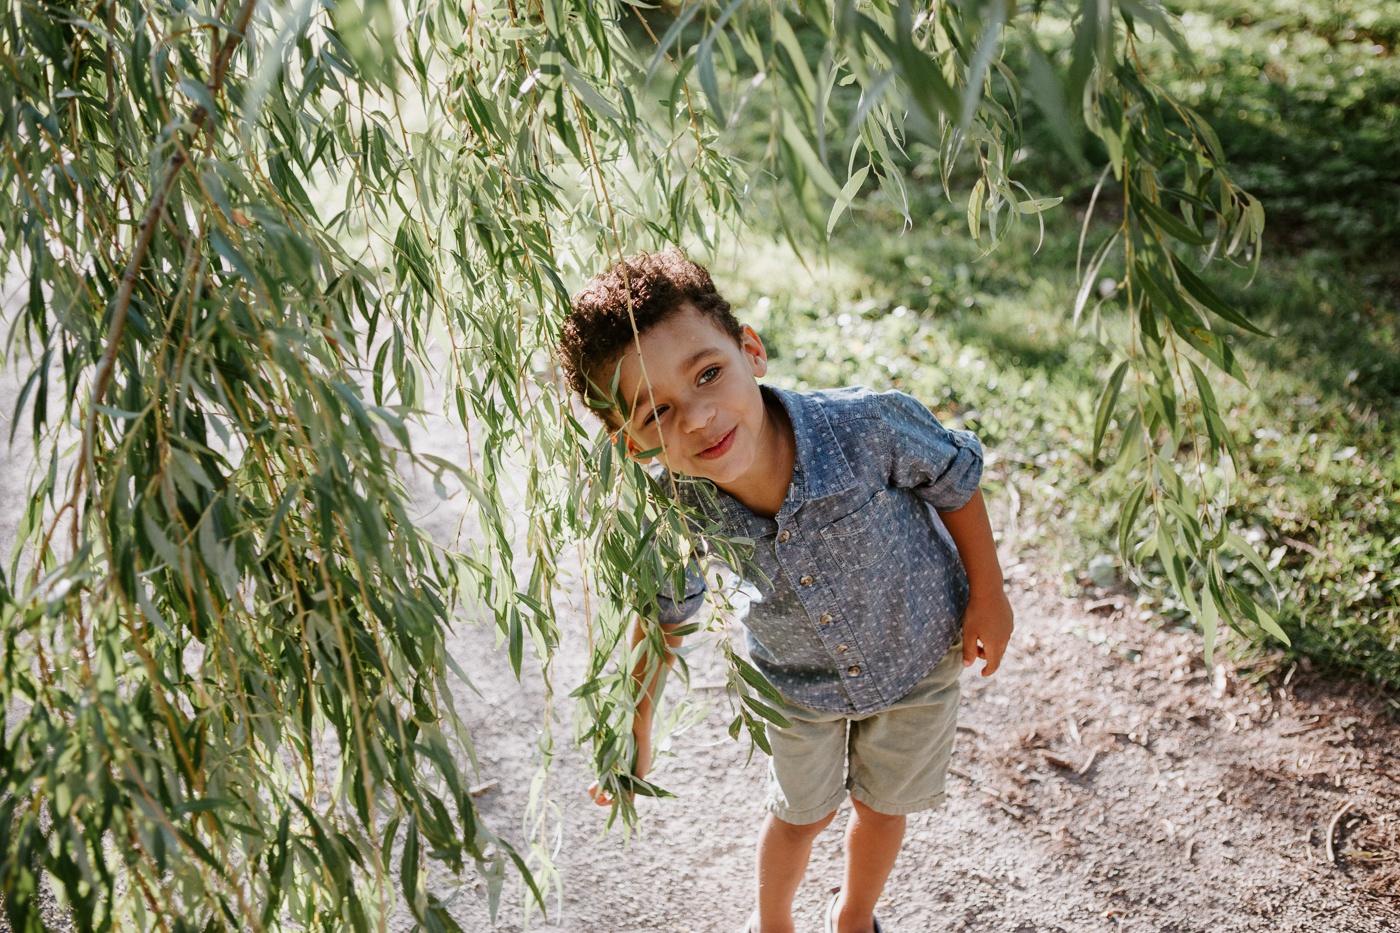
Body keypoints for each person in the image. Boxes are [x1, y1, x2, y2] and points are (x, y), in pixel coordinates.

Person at [557, 249, 1014, 933]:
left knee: (885, 808)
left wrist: (990, 591)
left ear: (751, 351)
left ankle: (854, 917)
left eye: (709, 373)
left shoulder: (869, 426)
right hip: (796, 686)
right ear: (631, 443)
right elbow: (665, 613)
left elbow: (955, 477)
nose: (699, 417)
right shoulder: (678, 509)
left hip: (916, 655)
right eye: (657, 413)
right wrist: (636, 720)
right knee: (803, 814)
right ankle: (773, 924)